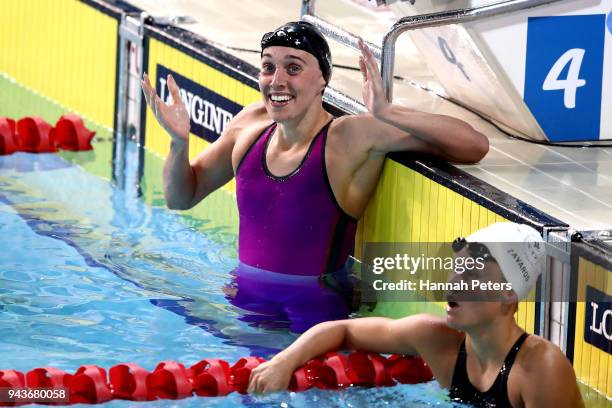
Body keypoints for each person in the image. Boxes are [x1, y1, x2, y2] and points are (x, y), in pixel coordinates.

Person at [141, 21, 489, 278]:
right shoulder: (249, 125)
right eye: (268, 67)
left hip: (313, 321)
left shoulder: (348, 137)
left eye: (293, 68)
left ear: (322, 79)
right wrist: (178, 143)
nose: (277, 80)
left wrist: (388, 113)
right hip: (243, 305)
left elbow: (474, 145)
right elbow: (180, 197)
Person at [247, 222, 585, 408]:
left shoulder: (540, 369)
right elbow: (341, 331)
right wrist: (283, 362)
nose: (453, 283)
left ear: (508, 294)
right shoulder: (437, 340)